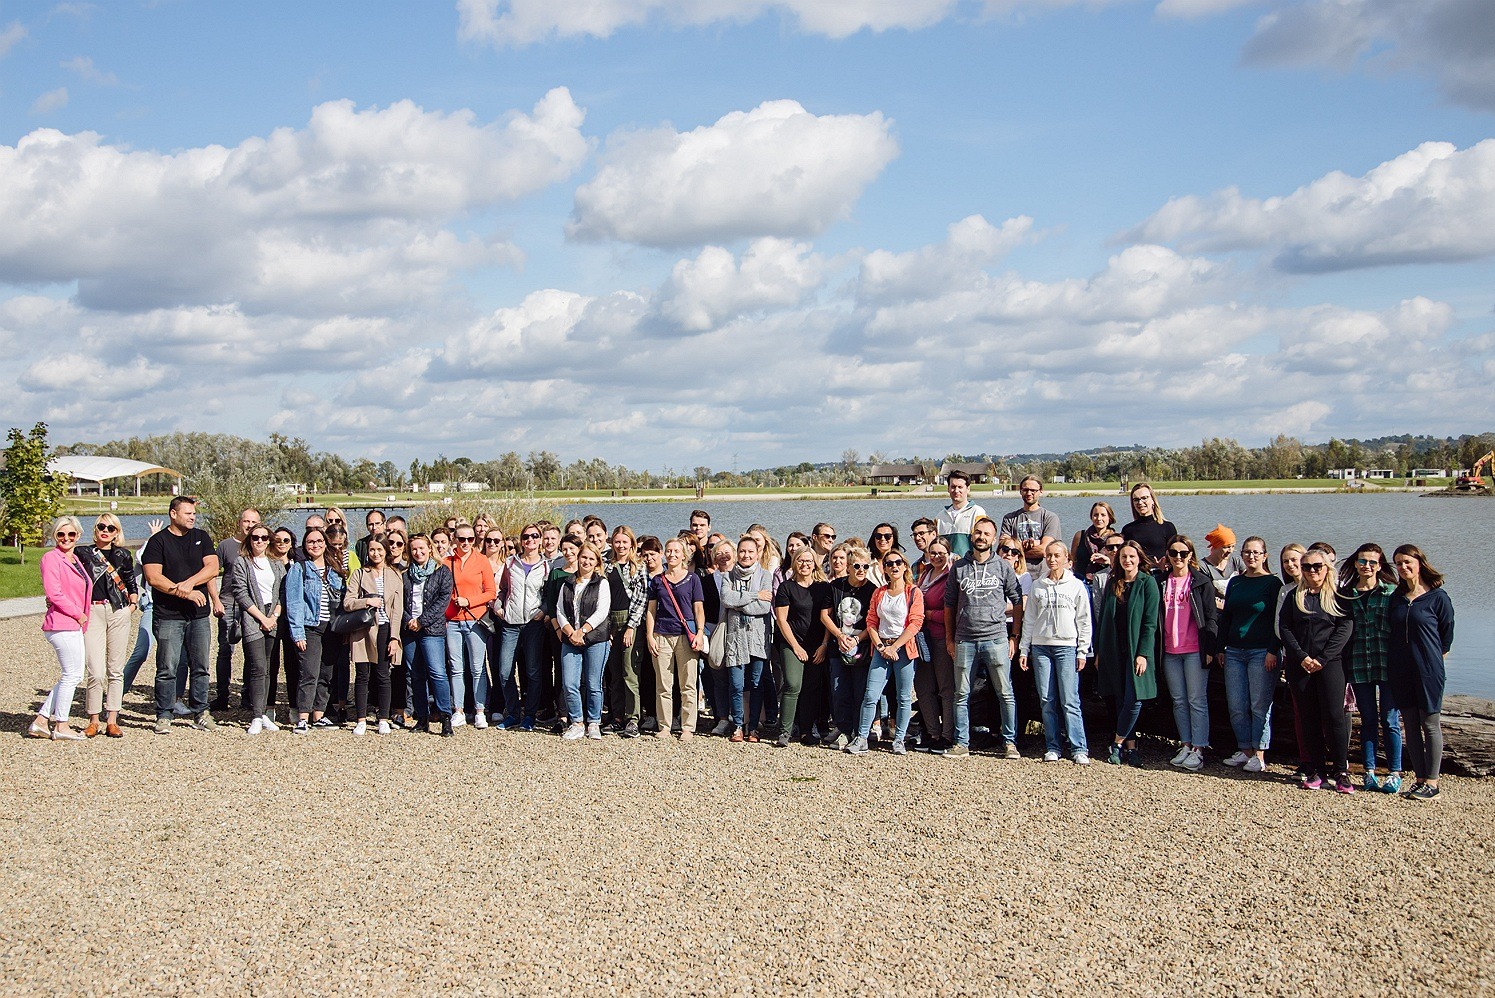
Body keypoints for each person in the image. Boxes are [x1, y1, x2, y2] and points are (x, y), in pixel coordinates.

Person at [945, 517, 1024, 759]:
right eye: (977, 533)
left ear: (993, 537)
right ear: (971, 536)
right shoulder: (958, 568)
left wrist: (1015, 636)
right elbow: (949, 604)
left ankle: (1009, 742)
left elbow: (1018, 600)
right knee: (961, 694)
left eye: (986, 534)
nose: (981, 537)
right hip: (965, 639)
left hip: (996, 638)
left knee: (1005, 692)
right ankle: (961, 743)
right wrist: (950, 638)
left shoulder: (1002, 566)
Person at [142, 496, 221, 734]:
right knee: (167, 666)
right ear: (173, 514)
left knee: (201, 665)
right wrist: (183, 593)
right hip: (168, 615)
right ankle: (164, 714)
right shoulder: (158, 542)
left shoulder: (201, 537)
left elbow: (212, 568)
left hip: (198, 615)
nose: (192, 517)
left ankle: (201, 712)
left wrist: (188, 583)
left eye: (193, 513)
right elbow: (154, 578)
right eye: (187, 513)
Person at [1278, 550, 1355, 792]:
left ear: (1327, 567)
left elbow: (1345, 628)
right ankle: (1316, 770)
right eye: (1307, 566)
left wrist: (1322, 658)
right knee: (1308, 716)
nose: (1312, 571)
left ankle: (1341, 771)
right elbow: (1285, 628)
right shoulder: (1294, 596)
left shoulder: (1339, 596)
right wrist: (1302, 656)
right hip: (1300, 664)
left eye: (1317, 566)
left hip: (1330, 664)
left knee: (1334, 716)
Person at [1388, 545, 1455, 801]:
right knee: (1411, 725)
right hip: (1400, 670)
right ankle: (1419, 779)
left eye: (1406, 562)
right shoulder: (1397, 598)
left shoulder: (1438, 598)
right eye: (1398, 564)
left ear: (1419, 562)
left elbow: (1446, 637)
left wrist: (1433, 660)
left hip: (1429, 671)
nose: (1403, 567)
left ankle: (1433, 782)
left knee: (1430, 723)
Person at [1019, 541, 1093, 766]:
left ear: (1065, 558)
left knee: (1070, 699)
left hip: (1066, 647)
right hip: (1041, 646)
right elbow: (1029, 619)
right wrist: (1025, 648)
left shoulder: (1076, 585)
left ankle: (1079, 747)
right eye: (1048, 556)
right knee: (1047, 699)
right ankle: (1053, 746)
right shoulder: (1038, 585)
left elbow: (1084, 620)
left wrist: (1082, 650)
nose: (1052, 559)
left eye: (1056, 555)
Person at [849, 549, 924, 756]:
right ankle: (862, 737)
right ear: (884, 568)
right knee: (871, 694)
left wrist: (895, 646)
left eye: (898, 562)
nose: (894, 566)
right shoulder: (879, 592)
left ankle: (899, 739)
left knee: (903, 697)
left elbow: (916, 622)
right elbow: (871, 621)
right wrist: (882, 647)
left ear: (905, 566)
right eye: (889, 563)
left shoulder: (913, 592)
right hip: (880, 649)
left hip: (904, 650)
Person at [1218, 537, 1283, 773]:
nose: (1251, 556)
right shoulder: (1236, 582)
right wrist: (1220, 647)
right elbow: (1226, 618)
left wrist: (1273, 650)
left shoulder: (1272, 583)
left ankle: (1259, 753)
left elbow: (1279, 621)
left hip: (1261, 652)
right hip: (1234, 651)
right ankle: (1244, 750)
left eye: (1256, 553)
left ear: (1265, 556)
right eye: (1247, 552)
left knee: (1259, 704)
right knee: (1236, 704)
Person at [1154, 535, 1218, 771]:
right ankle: (1186, 744)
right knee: (1179, 701)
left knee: (1196, 700)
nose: (1178, 557)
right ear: (1167, 555)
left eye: (1183, 553)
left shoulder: (1200, 582)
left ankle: (1199, 749)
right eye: (1173, 553)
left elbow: (1211, 617)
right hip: (1170, 650)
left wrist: (1210, 648)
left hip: (1194, 649)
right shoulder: (1161, 581)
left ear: (1191, 555)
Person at [1340, 543, 1401, 793]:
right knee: (1367, 719)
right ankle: (1369, 771)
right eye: (1363, 561)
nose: (1367, 566)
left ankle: (1395, 772)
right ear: (1355, 563)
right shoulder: (1346, 594)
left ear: (1380, 566)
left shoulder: (1391, 593)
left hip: (1387, 665)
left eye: (1373, 562)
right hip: (1357, 665)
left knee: (1390, 720)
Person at [1094, 540, 1160, 767]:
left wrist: (1143, 653)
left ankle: (1117, 742)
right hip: (1114, 650)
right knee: (1120, 698)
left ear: (1139, 558)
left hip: (1136, 651)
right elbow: (1103, 619)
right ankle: (1131, 748)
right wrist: (1100, 651)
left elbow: (1150, 623)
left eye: (1132, 556)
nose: (1127, 560)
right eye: (1123, 557)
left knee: (1135, 699)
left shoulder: (1147, 583)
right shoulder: (1114, 583)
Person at [28, 517, 93, 740]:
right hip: (61, 623)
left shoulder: (75, 559)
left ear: (78, 535)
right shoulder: (51, 558)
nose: (66, 538)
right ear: (54, 536)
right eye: (61, 534)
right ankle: (61, 725)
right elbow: (53, 593)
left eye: (71, 534)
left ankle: (41, 720)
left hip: (73, 624)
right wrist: (78, 613)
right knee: (72, 675)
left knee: (72, 675)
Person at [77, 514, 137, 738]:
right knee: (95, 670)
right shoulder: (82, 554)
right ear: (95, 529)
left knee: (115, 669)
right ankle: (93, 718)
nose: (105, 531)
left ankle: (112, 718)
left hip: (117, 610)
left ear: (116, 532)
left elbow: (130, 580)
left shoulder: (122, 554)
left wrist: (132, 603)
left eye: (111, 528)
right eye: (101, 526)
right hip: (92, 611)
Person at [286, 527, 346, 733]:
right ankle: (303, 716)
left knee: (326, 674)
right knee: (308, 672)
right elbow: (293, 602)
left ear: (325, 543)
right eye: (311, 542)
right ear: (305, 545)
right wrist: (298, 632)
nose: (316, 545)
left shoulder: (334, 567)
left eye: (319, 541)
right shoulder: (299, 569)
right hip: (309, 626)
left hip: (332, 628)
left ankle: (319, 714)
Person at [646, 538, 707, 741]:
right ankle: (665, 725)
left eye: (676, 551)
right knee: (663, 684)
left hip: (685, 636)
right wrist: (650, 635)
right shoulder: (657, 580)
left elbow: (698, 608)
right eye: (669, 550)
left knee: (688, 684)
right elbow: (651, 610)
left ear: (683, 555)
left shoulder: (693, 579)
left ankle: (688, 727)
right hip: (662, 634)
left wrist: (699, 632)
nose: (672, 554)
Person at [343, 537, 405, 735]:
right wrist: (367, 601)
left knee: (382, 673)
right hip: (363, 628)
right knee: (362, 673)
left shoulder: (395, 575)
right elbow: (348, 602)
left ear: (386, 551)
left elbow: (398, 610)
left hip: (385, 629)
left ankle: (383, 719)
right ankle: (361, 718)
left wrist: (395, 638)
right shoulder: (359, 574)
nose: (375, 553)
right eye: (372, 550)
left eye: (379, 549)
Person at [716, 535, 775, 742]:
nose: (746, 555)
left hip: (758, 638)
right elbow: (726, 599)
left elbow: (765, 606)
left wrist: (740, 602)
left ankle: (753, 728)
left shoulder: (765, 576)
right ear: (737, 553)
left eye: (750, 551)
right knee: (736, 684)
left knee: (756, 682)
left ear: (757, 553)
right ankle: (738, 725)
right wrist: (754, 595)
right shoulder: (728, 576)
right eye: (742, 551)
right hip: (735, 638)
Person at [229, 526, 284, 735]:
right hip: (253, 618)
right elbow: (240, 593)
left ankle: (264, 713)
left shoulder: (276, 564)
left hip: (273, 617)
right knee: (257, 667)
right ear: (249, 540)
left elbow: (280, 592)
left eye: (263, 537)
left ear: (269, 540)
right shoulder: (241, 563)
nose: (259, 541)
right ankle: (256, 715)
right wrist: (261, 618)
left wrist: (274, 616)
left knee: (269, 667)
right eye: (255, 537)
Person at [820, 546, 875, 750]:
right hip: (838, 646)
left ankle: (859, 732)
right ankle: (843, 730)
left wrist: (857, 639)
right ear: (849, 566)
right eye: (857, 566)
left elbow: (873, 620)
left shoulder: (872, 589)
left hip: (861, 647)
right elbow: (825, 615)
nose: (861, 570)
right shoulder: (835, 586)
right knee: (839, 690)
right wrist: (840, 635)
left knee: (859, 690)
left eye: (865, 566)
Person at [556, 543, 612, 741]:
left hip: (596, 638)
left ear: (597, 562)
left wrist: (583, 630)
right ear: (578, 558)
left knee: (593, 682)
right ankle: (576, 722)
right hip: (570, 639)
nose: (586, 562)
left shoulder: (601, 583)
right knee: (570, 682)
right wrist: (571, 632)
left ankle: (594, 721)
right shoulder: (567, 583)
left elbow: (602, 611)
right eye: (584, 557)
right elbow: (560, 611)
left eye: (591, 558)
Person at [772, 547, 826, 749]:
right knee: (793, 684)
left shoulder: (822, 588)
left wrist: (824, 645)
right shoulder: (786, 587)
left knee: (811, 688)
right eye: (801, 561)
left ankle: (805, 731)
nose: (805, 564)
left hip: (817, 645)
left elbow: (826, 618)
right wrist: (795, 647)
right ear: (795, 563)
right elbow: (782, 620)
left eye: (809, 561)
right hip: (791, 643)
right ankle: (784, 731)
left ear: (814, 564)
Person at [403, 534, 454, 737]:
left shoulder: (441, 572)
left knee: (437, 673)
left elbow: (443, 601)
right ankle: (422, 717)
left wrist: (422, 621)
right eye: (414, 549)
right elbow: (400, 600)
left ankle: (445, 716)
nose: (418, 552)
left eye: (422, 548)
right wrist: (409, 620)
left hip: (431, 629)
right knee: (415, 674)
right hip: (409, 629)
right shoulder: (405, 574)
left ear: (429, 549)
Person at [210, 507, 260, 712]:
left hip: (251, 605)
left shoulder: (260, 544)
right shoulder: (226, 546)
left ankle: (248, 696)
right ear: (239, 523)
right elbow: (211, 574)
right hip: (228, 603)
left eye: (253, 522)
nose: (249, 526)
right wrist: (215, 600)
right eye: (246, 521)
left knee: (251, 651)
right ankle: (222, 695)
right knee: (225, 651)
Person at [445, 523, 494, 728]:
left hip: (475, 618)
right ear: (455, 539)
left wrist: (469, 601)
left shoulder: (481, 560)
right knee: (456, 667)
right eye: (461, 539)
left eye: (470, 539)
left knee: (477, 667)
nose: (466, 543)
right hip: (453, 621)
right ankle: (458, 710)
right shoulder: (447, 562)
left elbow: (491, 592)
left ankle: (480, 710)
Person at [605, 527, 649, 738]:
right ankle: (616, 716)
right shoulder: (606, 566)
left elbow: (641, 598)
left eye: (624, 542)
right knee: (614, 673)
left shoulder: (638, 566)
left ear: (631, 543)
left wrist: (631, 626)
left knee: (629, 672)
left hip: (631, 622)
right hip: (610, 622)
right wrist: (606, 628)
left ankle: (633, 718)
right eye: (617, 542)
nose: (620, 546)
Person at [914, 537, 955, 754]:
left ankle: (948, 736)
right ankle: (933, 732)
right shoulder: (925, 573)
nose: (937, 556)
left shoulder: (951, 575)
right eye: (933, 552)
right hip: (922, 638)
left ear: (948, 553)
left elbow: (954, 609)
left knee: (946, 687)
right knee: (923, 686)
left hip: (941, 637)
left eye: (941, 552)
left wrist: (929, 615)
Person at [1001, 475, 1061, 576]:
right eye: (1025, 490)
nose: (1029, 493)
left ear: (1040, 491)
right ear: (1020, 491)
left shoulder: (1050, 518)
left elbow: (1044, 551)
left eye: (1033, 490)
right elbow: (1003, 549)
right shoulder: (1009, 518)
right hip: (1016, 575)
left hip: (1042, 576)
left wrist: (1016, 549)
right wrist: (1037, 543)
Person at [1119, 483, 1177, 569]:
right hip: (1137, 577)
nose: (1140, 502)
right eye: (1136, 500)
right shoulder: (1128, 530)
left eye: (1144, 498)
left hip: (1161, 575)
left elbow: (1176, 554)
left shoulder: (1167, 527)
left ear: (1153, 500)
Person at [936, 470, 986, 558]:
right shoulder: (939, 517)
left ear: (968, 489)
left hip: (970, 567)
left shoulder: (977, 512)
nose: (956, 490)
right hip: (946, 569)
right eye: (953, 487)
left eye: (960, 487)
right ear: (948, 489)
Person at [1070, 502, 1118, 588]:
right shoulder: (1080, 536)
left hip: (1105, 585)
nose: (1099, 518)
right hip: (1081, 584)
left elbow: (1121, 565)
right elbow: (1072, 561)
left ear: (1109, 517)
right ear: (1091, 517)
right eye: (1095, 515)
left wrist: (1108, 561)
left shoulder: (1116, 540)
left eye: (1103, 515)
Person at [866, 523, 901, 588]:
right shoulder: (866, 564)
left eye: (887, 536)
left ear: (893, 540)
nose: (882, 539)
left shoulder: (901, 563)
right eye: (878, 536)